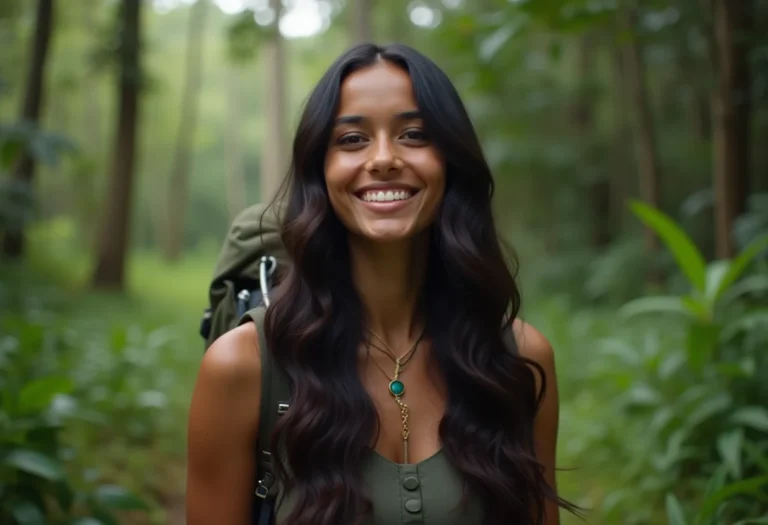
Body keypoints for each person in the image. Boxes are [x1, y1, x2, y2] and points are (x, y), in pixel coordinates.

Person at [186, 43, 576, 525]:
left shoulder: (518, 359)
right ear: (319, 170)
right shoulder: (242, 367)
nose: (384, 158)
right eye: (352, 139)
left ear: (452, 161)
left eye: (414, 134)